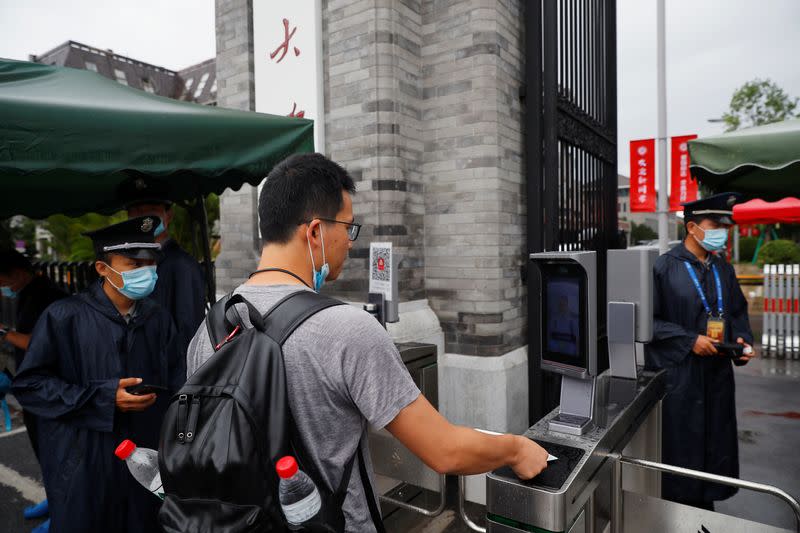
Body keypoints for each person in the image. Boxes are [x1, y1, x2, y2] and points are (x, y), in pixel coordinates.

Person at [186, 153, 549, 532]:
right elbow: (445, 450)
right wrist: (516, 448)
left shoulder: (209, 329)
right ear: (314, 232)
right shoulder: (346, 329)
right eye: (348, 227)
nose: (349, 241)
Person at [12, 216, 185, 533]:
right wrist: (102, 397)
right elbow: (31, 385)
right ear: (103, 269)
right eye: (134, 263)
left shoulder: (159, 318)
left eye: (151, 263)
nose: (147, 272)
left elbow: (179, 383)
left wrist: (182, 441)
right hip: (84, 465)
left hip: (147, 463)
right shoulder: (64, 317)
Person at [645, 192, 756, 512]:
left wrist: (743, 343)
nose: (724, 230)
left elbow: (736, 313)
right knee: (683, 445)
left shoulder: (723, 269)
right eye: (716, 224)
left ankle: (706, 509)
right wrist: (688, 340)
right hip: (682, 375)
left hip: (718, 374)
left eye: (726, 224)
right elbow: (649, 322)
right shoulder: (665, 267)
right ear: (692, 227)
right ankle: (677, 511)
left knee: (714, 444)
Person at [0, 249, 66, 525]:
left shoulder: (46, 295)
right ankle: (54, 498)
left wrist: (3, 333)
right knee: (42, 448)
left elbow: (35, 343)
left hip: (48, 386)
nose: (2, 287)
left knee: (54, 452)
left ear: (16, 273)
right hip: (32, 385)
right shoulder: (29, 291)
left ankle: (63, 510)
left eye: (2, 279)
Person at [121, 177, 206, 359]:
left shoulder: (182, 267)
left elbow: (188, 333)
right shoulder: (127, 263)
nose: (142, 219)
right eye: (135, 212)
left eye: (151, 211)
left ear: (169, 215)